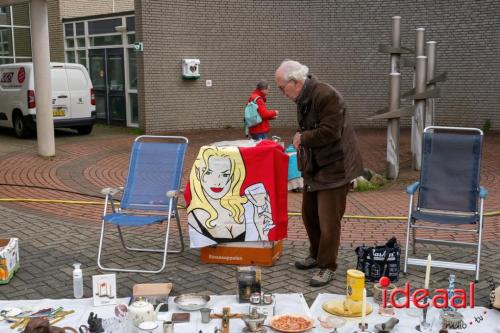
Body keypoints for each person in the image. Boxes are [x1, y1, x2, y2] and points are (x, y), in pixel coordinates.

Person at [275, 60, 363, 287]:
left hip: (335, 167)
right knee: (309, 215)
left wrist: (302, 138)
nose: (281, 93)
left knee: (328, 221)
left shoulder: (326, 96)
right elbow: (308, 127)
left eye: (281, 88)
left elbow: (330, 132)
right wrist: (301, 135)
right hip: (315, 166)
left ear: (295, 82)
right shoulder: (303, 98)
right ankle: (315, 255)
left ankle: (327, 266)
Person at [186, 145, 275, 247]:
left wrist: (263, 233)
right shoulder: (195, 217)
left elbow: (262, 242)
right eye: (209, 172)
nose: (217, 182)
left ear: (234, 177)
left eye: (225, 175)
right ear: (198, 173)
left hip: (251, 258)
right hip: (216, 258)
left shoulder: (248, 207)